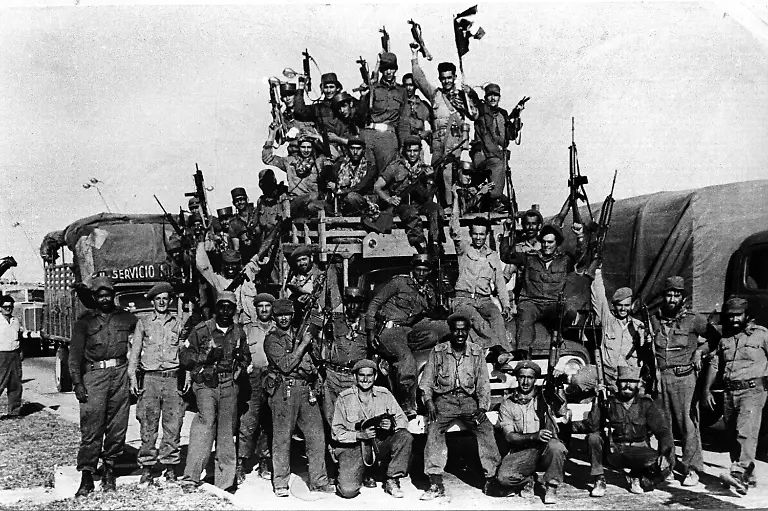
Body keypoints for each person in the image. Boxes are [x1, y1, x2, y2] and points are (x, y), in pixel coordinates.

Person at [68, 276, 138, 496]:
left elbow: (141, 338)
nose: (105, 299)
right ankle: (87, 475)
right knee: (92, 427)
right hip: (94, 376)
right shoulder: (85, 322)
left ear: (113, 295)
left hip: (120, 374)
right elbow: (74, 355)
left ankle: (109, 470)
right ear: (95, 297)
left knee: (118, 426)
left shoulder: (126, 318)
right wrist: (77, 383)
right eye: (100, 295)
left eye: (108, 294)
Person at [419, 313, 500, 500]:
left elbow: (483, 384)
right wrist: (429, 402)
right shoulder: (438, 351)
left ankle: (491, 478)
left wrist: (482, 408)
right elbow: (426, 381)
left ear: (468, 331)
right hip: (444, 401)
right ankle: (435, 482)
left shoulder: (476, 352)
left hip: (469, 402)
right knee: (434, 428)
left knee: (485, 428)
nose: (460, 334)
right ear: (451, 331)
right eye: (456, 330)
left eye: (464, 330)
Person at [179, 291, 252, 490]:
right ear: (216, 308)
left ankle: (225, 482)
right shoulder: (202, 330)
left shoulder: (238, 332)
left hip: (229, 384)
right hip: (206, 384)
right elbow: (184, 356)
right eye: (222, 307)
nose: (226, 312)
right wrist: (205, 358)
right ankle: (191, 477)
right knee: (205, 424)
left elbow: (246, 357)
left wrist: (241, 363)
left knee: (227, 431)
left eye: (230, 308)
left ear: (234, 310)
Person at [264, 299, 333, 497]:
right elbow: (285, 365)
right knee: (282, 438)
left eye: (287, 314)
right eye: (279, 315)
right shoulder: (272, 339)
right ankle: (280, 483)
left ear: (292, 315)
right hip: (284, 390)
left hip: (306, 388)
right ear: (274, 317)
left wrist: (313, 340)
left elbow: (317, 358)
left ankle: (319, 481)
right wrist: (303, 344)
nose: (284, 318)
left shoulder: (301, 332)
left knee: (316, 435)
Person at [366, 254, 449, 417]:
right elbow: (375, 303)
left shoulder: (428, 289)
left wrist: (438, 300)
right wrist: (370, 331)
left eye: (425, 270)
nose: (421, 273)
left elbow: (431, 311)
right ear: (413, 269)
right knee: (407, 360)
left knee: (441, 330)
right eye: (418, 269)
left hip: (409, 329)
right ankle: (407, 403)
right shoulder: (399, 282)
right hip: (390, 330)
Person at [702, 297, 768, 494]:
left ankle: (739, 474)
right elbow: (715, 364)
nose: (734, 319)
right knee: (732, 434)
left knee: (745, 431)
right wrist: (706, 389)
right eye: (730, 316)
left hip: (753, 390)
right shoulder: (725, 339)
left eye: (738, 315)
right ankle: (747, 476)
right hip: (730, 392)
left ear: (746, 315)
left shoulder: (761, 334)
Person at [128, 282, 190, 486]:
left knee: (173, 424)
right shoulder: (144, 323)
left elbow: (185, 353)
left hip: (172, 379)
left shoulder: (178, 323)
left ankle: (170, 467)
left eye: (165, 299)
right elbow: (135, 352)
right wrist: (132, 377)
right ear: (153, 302)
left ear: (170, 301)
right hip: (150, 379)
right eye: (158, 299)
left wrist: (188, 375)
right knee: (148, 424)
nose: (162, 302)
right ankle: (147, 467)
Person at [579, 365, 674, 496]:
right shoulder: (608, 402)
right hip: (613, 452)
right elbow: (593, 426)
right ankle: (599, 479)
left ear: (638, 384)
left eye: (632, 382)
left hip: (638, 451)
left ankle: (636, 476)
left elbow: (663, 432)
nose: (628, 385)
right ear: (617, 383)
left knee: (664, 470)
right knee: (593, 437)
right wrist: (596, 399)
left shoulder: (646, 403)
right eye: (624, 381)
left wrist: (664, 455)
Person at [651, 275, 709, 486]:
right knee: (663, 425)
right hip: (661, 378)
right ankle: (667, 465)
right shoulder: (655, 318)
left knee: (688, 424)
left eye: (676, 295)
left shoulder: (694, 319)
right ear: (664, 296)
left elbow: (716, 339)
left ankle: (692, 469)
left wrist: (700, 351)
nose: (672, 299)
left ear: (683, 297)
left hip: (684, 377)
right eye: (669, 294)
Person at [332, 359, 413, 499]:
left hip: (379, 444)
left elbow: (403, 419)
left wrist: (392, 424)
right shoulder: (344, 398)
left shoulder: (384, 394)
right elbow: (336, 432)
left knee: (405, 436)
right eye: (361, 375)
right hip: (354, 448)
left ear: (375, 376)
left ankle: (392, 479)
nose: (365, 379)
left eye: (369, 375)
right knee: (348, 491)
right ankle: (360, 473)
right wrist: (359, 435)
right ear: (355, 377)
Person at [410, 44, 478, 210]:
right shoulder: (436, 95)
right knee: (435, 173)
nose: (446, 81)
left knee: (449, 171)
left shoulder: (461, 96)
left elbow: (474, 115)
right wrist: (414, 56)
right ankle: (440, 206)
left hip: (454, 139)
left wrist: (468, 98)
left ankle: (449, 206)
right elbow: (419, 80)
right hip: (437, 140)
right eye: (443, 78)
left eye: (449, 77)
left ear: (454, 77)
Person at [494, 361, 569, 504]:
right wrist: (534, 436)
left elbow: (562, 411)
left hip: (544, 450)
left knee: (557, 447)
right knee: (503, 478)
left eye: (530, 377)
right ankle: (528, 479)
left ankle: (551, 487)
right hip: (523, 452)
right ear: (517, 378)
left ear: (535, 379)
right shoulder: (507, 404)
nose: (525, 382)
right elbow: (509, 436)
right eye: (522, 377)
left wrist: (559, 386)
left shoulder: (545, 398)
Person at [513, 223, 585, 359]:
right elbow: (507, 256)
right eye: (544, 242)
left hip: (553, 304)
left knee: (570, 310)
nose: (546, 245)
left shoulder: (564, 260)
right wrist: (507, 234)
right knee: (524, 318)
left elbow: (581, 256)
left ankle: (558, 333)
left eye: (550, 242)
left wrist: (580, 236)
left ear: (557, 243)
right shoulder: (530, 258)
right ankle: (523, 356)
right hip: (532, 302)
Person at [449, 199, 512, 352]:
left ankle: (505, 352)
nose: (478, 237)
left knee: (496, 315)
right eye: (475, 234)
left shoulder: (492, 255)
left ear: (486, 235)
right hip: (463, 299)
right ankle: (496, 348)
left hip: (484, 300)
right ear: (471, 234)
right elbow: (454, 228)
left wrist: (506, 306)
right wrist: (456, 199)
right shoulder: (464, 249)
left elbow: (500, 282)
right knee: (475, 317)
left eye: (482, 234)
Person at [373, 135, 444, 254]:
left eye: (415, 151)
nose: (412, 154)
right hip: (402, 205)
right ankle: (420, 244)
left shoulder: (425, 169)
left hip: (421, 204)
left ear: (420, 151)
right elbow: (377, 186)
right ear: (404, 151)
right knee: (411, 212)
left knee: (435, 209)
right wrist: (389, 199)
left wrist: (430, 178)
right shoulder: (395, 167)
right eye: (409, 151)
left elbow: (429, 196)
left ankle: (435, 242)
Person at [313, 286, 369, 427]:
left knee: (355, 420)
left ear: (362, 304)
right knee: (332, 419)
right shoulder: (334, 321)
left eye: (356, 302)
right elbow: (319, 343)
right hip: (333, 376)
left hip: (355, 378)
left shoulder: (368, 324)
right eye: (349, 302)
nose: (352, 306)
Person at [236, 293, 276, 484]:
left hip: (273, 377)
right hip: (253, 378)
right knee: (248, 420)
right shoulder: (247, 329)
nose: (264, 309)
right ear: (256, 309)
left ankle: (264, 460)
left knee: (268, 421)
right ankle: (241, 461)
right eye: (261, 306)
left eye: (268, 306)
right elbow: (239, 352)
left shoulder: (278, 328)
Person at [467, 83, 525, 211]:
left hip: (498, 156)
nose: (493, 98)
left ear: (499, 97)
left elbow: (510, 136)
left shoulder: (503, 114)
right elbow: (474, 102)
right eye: (490, 95)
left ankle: (495, 201)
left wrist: (516, 115)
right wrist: (470, 91)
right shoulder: (481, 110)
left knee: (499, 188)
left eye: (496, 95)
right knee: (495, 189)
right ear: (485, 97)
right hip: (484, 157)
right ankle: (492, 200)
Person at [589, 265, 645, 389]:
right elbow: (599, 297)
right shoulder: (608, 320)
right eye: (620, 305)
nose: (623, 309)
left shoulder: (639, 325)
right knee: (579, 379)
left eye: (626, 305)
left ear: (631, 306)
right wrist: (597, 272)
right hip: (607, 373)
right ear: (614, 305)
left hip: (628, 376)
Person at [357, 52, 410, 174]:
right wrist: (363, 97)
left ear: (395, 69)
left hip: (388, 137)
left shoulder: (401, 91)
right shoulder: (373, 88)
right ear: (381, 70)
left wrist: (404, 145)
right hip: (369, 134)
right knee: (365, 173)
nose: (389, 72)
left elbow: (403, 122)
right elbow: (360, 114)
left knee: (385, 174)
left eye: (391, 68)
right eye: (386, 69)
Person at [262, 127, 328, 218]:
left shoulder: (318, 162)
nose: (306, 150)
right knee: (313, 196)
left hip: (312, 204)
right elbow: (267, 158)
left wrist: (319, 137)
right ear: (299, 148)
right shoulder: (289, 162)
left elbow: (333, 155)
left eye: (309, 147)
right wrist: (271, 134)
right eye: (303, 147)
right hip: (296, 202)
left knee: (321, 204)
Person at [249, 169, 288, 286]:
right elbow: (256, 226)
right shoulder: (261, 201)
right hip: (265, 245)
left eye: (269, 182)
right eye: (263, 183)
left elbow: (286, 221)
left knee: (282, 274)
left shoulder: (283, 198)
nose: (266, 186)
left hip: (281, 243)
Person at [327, 136, 378, 215]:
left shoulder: (370, 168)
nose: (355, 152)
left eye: (358, 149)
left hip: (362, 201)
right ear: (348, 150)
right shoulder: (340, 165)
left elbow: (361, 187)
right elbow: (329, 181)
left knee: (351, 197)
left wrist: (341, 191)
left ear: (363, 150)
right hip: (341, 201)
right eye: (352, 148)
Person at [0, 295, 24, 420]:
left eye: (10, 307)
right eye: (5, 307)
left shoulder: (16, 321)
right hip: (1, 355)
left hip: (14, 354)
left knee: (15, 384)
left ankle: (14, 411)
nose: (8, 309)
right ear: (0, 308)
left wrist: (21, 351)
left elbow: (19, 337)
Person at [402, 72, 432, 146]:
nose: (408, 88)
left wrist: (427, 133)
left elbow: (435, 125)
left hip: (418, 144)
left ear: (416, 86)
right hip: (403, 143)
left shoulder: (423, 105)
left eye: (411, 85)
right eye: (406, 85)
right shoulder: (400, 105)